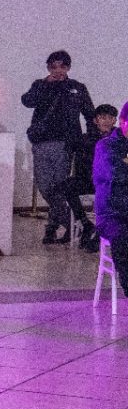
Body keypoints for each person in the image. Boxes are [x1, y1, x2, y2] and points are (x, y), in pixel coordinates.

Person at [21, 50, 96, 244]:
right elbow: (27, 101)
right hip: (41, 142)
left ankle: (52, 228)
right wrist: (45, 84)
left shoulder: (77, 88)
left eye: (62, 66)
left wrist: (90, 141)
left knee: (59, 187)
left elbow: (90, 115)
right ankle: (75, 221)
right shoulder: (40, 85)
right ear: (48, 68)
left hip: (66, 144)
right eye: (53, 66)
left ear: (68, 67)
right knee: (45, 186)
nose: (58, 70)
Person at [62, 103, 118, 251]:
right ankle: (86, 224)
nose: (107, 121)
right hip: (90, 181)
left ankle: (100, 235)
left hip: (111, 183)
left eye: (111, 118)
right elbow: (74, 155)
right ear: (95, 120)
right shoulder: (86, 139)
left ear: (115, 120)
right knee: (67, 185)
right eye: (103, 117)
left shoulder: (120, 139)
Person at [93, 101, 128, 296]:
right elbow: (116, 175)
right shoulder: (106, 146)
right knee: (124, 237)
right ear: (122, 122)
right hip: (112, 214)